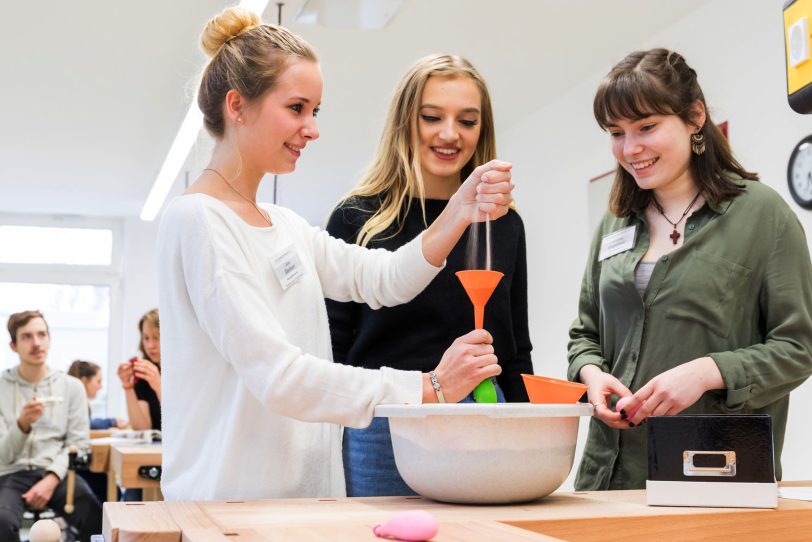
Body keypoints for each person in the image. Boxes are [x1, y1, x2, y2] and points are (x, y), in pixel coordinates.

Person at [156, 7, 514, 502]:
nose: (312, 128)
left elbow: (384, 279)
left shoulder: (283, 226)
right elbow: (279, 377)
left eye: (315, 112)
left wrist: (457, 210)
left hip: (305, 497)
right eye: (297, 108)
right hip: (231, 503)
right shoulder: (197, 220)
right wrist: (427, 387)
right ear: (237, 106)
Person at [567, 48, 812, 490]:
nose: (630, 148)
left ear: (695, 116)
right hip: (609, 475)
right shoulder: (614, 223)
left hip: (714, 473)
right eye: (616, 132)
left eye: (646, 127)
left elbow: (799, 348)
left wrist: (707, 372)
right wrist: (591, 375)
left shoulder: (763, 216)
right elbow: (584, 333)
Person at [325, 53, 532, 497]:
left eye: (467, 120)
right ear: (405, 121)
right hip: (383, 425)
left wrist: (526, 434)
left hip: (482, 419)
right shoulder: (358, 218)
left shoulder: (504, 224)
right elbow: (331, 350)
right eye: (432, 117)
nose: (450, 134)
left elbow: (514, 348)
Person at [0, 311, 102, 541]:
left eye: (41, 334)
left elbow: (78, 444)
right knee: (2, 522)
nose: (36, 343)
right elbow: (2, 456)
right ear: (13, 345)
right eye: (26, 337)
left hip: (58, 472)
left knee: (95, 517)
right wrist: (22, 425)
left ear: (49, 338)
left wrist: (52, 478)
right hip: (11, 473)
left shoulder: (72, 387)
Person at [116, 309, 161, 431]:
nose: (150, 345)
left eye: (157, 337)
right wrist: (128, 386)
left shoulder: (184, 371)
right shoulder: (144, 373)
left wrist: (159, 386)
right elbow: (142, 428)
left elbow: (181, 420)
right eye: (146, 338)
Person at [68, 360, 128, 430]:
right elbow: (85, 424)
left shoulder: (83, 404)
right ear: (84, 381)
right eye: (98, 381)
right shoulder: (72, 404)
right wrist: (112, 422)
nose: (101, 386)